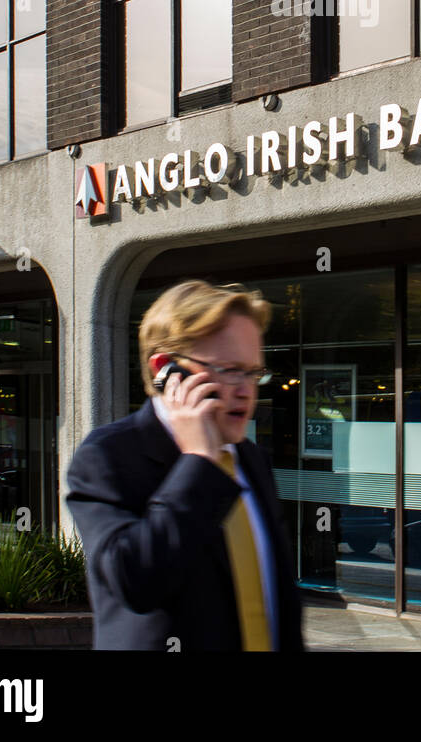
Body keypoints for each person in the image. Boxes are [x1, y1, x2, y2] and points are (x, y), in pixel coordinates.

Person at [65, 279, 304, 651]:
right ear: (166, 370)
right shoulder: (107, 456)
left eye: (253, 372)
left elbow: (279, 596)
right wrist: (198, 462)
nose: (246, 390)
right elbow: (136, 584)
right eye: (229, 369)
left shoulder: (251, 458)